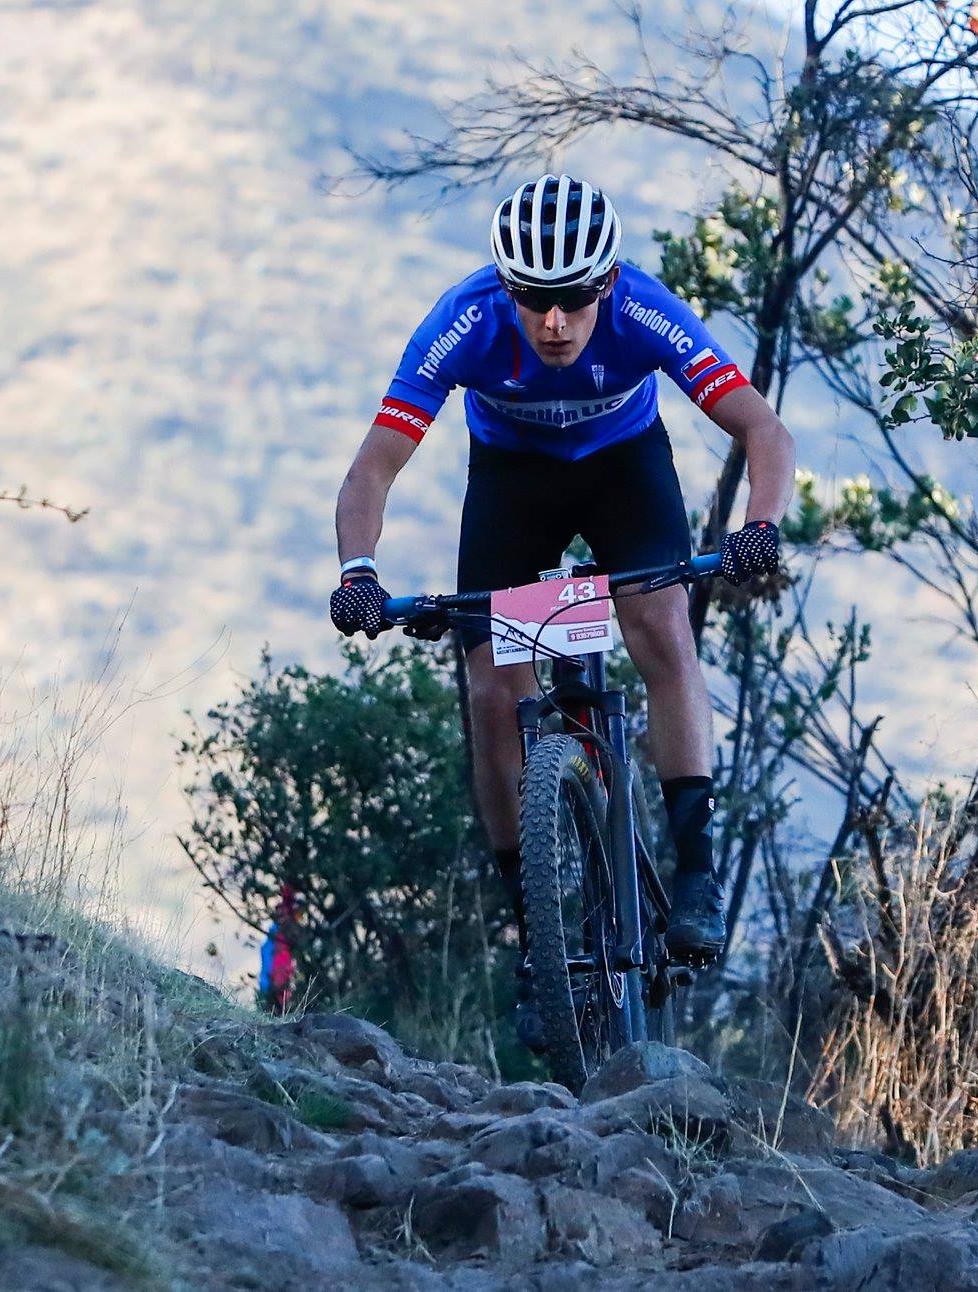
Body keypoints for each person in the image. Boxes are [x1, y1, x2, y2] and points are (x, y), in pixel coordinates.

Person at [329, 174, 795, 1031]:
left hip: (626, 469)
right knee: (489, 686)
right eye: (535, 300)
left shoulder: (643, 311)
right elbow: (373, 469)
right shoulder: (463, 322)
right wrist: (359, 569)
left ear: (606, 285)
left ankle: (694, 868)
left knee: (660, 625)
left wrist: (758, 526)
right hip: (514, 483)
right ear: (506, 288)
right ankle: (534, 933)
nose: (554, 322)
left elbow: (763, 430)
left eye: (574, 300)